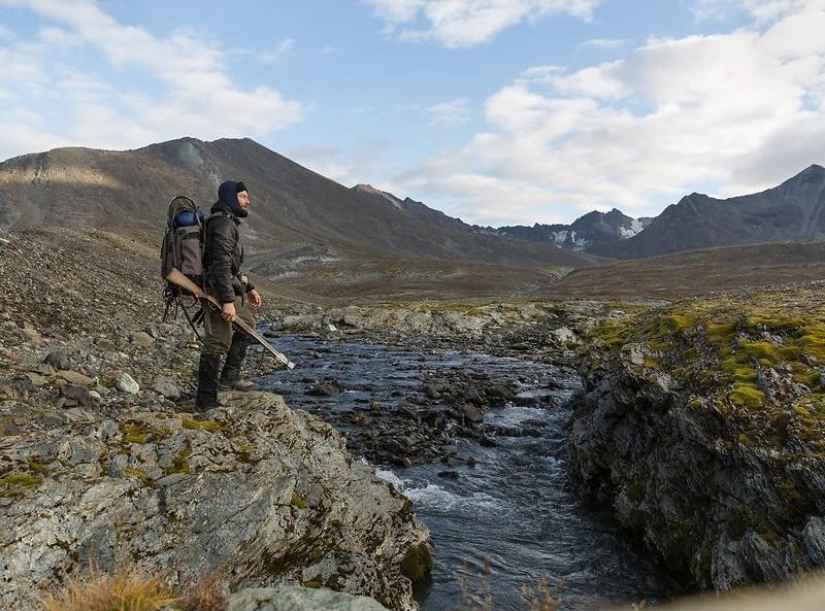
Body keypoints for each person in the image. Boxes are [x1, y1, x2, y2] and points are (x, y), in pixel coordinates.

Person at [195, 180, 262, 412]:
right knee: (217, 342)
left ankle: (227, 382)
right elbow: (220, 266)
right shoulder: (223, 224)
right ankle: (205, 402)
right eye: (243, 196)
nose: (248, 200)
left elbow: (230, 266)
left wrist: (249, 287)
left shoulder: (226, 222)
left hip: (220, 288)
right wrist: (227, 302)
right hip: (214, 292)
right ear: (231, 199)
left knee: (247, 326)